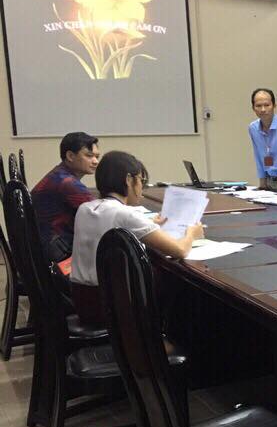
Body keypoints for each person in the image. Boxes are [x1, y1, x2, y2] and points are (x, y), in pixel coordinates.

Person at [70, 151, 204, 325]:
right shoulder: (126, 215)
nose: (142, 187)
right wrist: (192, 233)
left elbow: (109, 223)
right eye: (141, 180)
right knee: (179, 286)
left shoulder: (85, 208)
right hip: (113, 308)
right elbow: (179, 250)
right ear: (128, 180)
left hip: (83, 301)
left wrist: (149, 223)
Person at [30, 132, 100, 261]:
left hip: (43, 245)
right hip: (57, 251)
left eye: (97, 156)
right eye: (89, 156)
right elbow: (101, 214)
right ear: (70, 156)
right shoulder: (66, 182)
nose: (95, 161)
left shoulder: (59, 174)